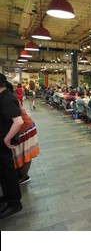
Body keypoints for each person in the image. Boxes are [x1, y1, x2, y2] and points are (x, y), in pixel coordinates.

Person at [0, 73, 24, 219]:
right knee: (4, 172)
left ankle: (14, 202)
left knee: (7, 172)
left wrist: (7, 140)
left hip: (3, 141)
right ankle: (9, 197)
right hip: (2, 139)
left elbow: (19, 121)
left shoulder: (6, 98)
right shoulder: (5, 97)